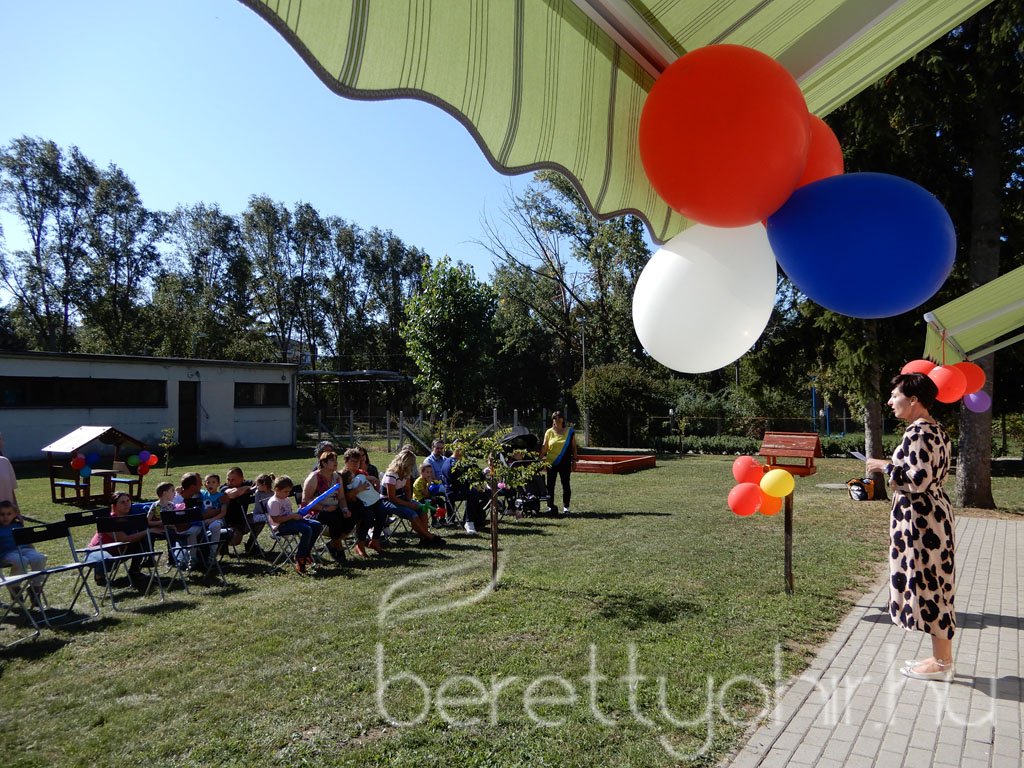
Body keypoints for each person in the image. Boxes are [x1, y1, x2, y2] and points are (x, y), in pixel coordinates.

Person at [866, 373, 956, 682]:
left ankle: (942, 663)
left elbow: (916, 481)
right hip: (933, 515)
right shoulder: (938, 430)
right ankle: (940, 657)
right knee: (937, 585)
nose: (890, 402)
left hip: (921, 522)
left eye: (895, 396)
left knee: (929, 586)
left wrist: (883, 466)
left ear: (913, 399)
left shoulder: (917, 433)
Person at [380, 449, 445, 548]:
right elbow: (391, 497)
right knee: (412, 513)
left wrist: (410, 500)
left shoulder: (406, 474)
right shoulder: (391, 475)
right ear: (405, 463)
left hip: (401, 499)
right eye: (412, 464)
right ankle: (430, 537)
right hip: (387, 501)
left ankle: (424, 539)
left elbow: (407, 490)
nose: (413, 466)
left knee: (422, 510)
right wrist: (409, 504)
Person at [301, 451, 354, 563]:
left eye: (336, 460)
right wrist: (324, 508)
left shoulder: (337, 477)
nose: (336, 463)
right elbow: (306, 500)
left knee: (352, 516)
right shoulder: (314, 478)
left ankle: (333, 544)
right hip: (315, 512)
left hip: (334, 509)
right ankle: (339, 549)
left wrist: (345, 509)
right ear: (324, 463)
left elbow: (341, 498)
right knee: (334, 518)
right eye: (332, 460)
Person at [266, 475, 322, 574]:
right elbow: (276, 519)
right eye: (286, 492)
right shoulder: (273, 502)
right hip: (281, 526)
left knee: (317, 525)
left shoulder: (286, 500)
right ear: (277, 489)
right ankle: (300, 558)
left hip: (290, 522)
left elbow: (289, 514)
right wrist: (292, 517)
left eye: (289, 492)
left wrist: (299, 516)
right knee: (307, 529)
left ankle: (306, 552)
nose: (288, 494)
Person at [341, 448, 390, 556]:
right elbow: (346, 497)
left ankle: (375, 541)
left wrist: (376, 485)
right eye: (353, 461)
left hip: (370, 501)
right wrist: (358, 489)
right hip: (354, 505)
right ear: (346, 461)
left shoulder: (362, 472)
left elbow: (370, 489)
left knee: (382, 511)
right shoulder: (342, 476)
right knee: (368, 515)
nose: (355, 464)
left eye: (358, 461)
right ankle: (360, 544)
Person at [0, 499, 46, 598]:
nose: (5, 517)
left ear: (15, 514)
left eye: (9, 514)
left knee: (39, 558)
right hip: (6, 553)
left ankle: (35, 586)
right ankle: (14, 585)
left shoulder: (18, 525)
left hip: (25, 549)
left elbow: (28, 541)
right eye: (2, 514)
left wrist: (33, 550)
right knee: (21, 560)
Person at [540, 411, 577, 516]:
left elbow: (574, 447)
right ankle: (550, 506)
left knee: (566, 485)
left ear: (563, 419)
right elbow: (544, 447)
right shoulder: (549, 432)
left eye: (559, 418)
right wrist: (539, 460)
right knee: (550, 486)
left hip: (565, 463)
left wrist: (574, 460)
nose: (557, 420)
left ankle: (566, 507)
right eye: (555, 418)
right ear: (553, 420)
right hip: (551, 463)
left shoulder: (570, 431)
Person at [220, 467, 255, 550]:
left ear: (242, 479)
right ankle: (222, 545)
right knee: (236, 540)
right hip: (228, 525)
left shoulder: (247, 483)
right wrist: (247, 489)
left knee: (261, 519)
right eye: (228, 479)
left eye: (233, 480)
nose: (230, 482)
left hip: (243, 521)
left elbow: (259, 484)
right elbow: (231, 494)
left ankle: (251, 545)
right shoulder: (223, 488)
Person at [0, 432, 18, 511]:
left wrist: (17, 512)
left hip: (8, 516)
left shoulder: (4, 461)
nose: (2, 442)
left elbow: (11, 491)